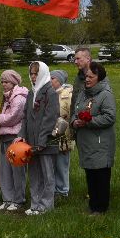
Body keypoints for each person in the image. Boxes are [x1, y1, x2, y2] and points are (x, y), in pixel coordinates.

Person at [71, 62, 117, 213]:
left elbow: (110, 117)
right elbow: (75, 111)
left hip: (100, 142)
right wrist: (74, 122)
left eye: (91, 76)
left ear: (99, 77)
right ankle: (93, 205)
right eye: (86, 76)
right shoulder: (83, 93)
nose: (87, 79)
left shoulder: (106, 94)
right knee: (90, 175)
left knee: (101, 176)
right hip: (86, 143)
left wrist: (89, 122)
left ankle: (101, 208)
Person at [21, 61, 61, 215]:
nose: (32, 76)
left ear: (43, 73)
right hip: (32, 142)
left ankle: (46, 205)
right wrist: (22, 136)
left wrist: (42, 141)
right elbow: (25, 117)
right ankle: (35, 203)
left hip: (45, 142)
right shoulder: (32, 93)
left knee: (47, 174)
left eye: (36, 73)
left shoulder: (50, 92)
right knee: (34, 173)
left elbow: (50, 118)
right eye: (31, 73)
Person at [0, 70, 28, 211]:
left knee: (16, 170)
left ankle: (18, 199)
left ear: (14, 82)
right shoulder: (7, 97)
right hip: (4, 136)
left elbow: (11, 118)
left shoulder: (20, 98)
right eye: (2, 81)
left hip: (15, 138)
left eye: (7, 82)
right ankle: (7, 198)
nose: (4, 84)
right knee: (4, 170)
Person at [49, 69, 74, 198]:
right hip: (50, 134)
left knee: (62, 163)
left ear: (60, 81)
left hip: (64, 134)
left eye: (52, 78)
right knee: (51, 163)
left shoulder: (68, 93)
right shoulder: (49, 93)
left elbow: (70, 113)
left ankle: (63, 190)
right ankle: (52, 189)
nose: (50, 80)